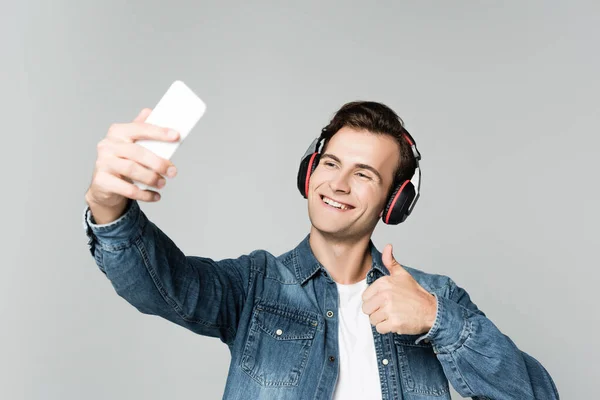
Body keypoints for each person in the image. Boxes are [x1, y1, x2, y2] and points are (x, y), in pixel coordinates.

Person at [82, 101, 559, 400]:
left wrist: (439, 320)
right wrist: (110, 207)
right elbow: (160, 285)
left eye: (365, 174)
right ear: (309, 173)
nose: (339, 182)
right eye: (331, 162)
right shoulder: (254, 285)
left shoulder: (433, 297)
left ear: (395, 202)